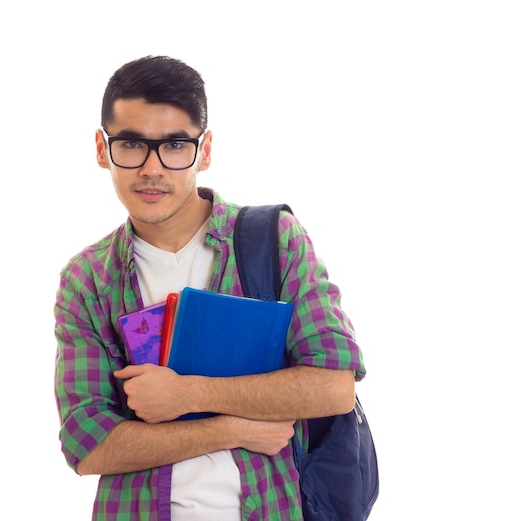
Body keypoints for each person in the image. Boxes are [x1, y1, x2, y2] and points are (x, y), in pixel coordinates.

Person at [54, 55, 367, 521]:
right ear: (102, 149)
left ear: (205, 150)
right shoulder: (88, 279)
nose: (152, 168)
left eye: (176, 145)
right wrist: (234, 427)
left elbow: (332, 388)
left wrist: (190, 395)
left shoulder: (272, 240)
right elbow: (88, 445)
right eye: (132, 144)